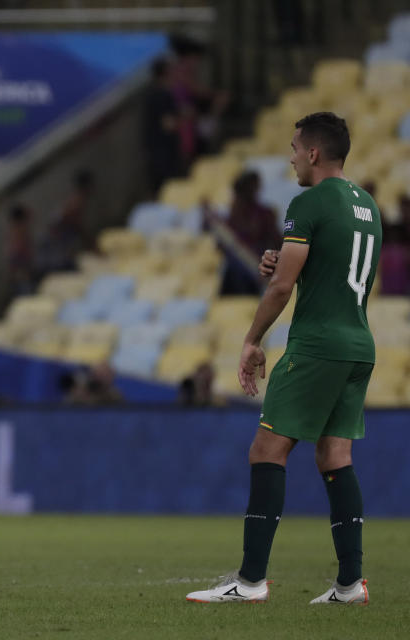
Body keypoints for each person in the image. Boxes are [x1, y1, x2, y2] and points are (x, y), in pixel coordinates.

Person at [187, 113, 380, 605]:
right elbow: (332, 268)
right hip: (358, 344)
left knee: (266, 451)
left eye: (295, 147)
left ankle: (250, 582)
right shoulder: (367, 206)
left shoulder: (308, 201)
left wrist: (253, 340)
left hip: (317, 344)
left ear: (314, 153)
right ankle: (350, 584)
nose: (291, 156)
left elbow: (282, 286)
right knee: (335, 456)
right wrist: (286, 257)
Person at [143, 57, 183, 194]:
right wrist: (185, 119)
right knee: (167, 190)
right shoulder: (162, 95)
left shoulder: (151, 94)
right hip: (164, 154)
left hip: (155, 152)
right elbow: (168, 124)